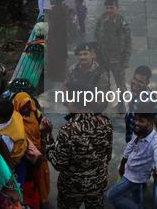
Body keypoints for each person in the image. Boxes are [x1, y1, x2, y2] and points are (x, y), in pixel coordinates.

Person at [44, 79, 113, 208]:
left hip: (72, 188)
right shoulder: (106, 123)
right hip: (98, 184)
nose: (65, 102)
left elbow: (59, 163)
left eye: (67, 98)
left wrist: (47, 136)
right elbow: (107, 155)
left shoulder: (67, 131)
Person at [106, 113, 157, 208]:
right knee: (136, 198)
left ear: (150, 122)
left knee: (110, 196)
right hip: (130, 171)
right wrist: (122, 164)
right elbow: (129, 147)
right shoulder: (138, 132)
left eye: (141, 121)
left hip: (133, 178)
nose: (136, 123)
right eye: (136, 119)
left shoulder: (156, 141)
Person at [13, 92, 51, 208]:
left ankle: (41, 199)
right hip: (26, 155)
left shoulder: (35, 114)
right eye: (22, 106)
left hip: (39, 152)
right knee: (30, 182)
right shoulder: (15, 120)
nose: (25, 109)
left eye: (27, 106)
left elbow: (43, 130)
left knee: (41, 179)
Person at [94, 0, 132, 108]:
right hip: (103, 57)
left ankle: (121, 102)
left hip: (117, 59)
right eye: (107, 8)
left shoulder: (123, 22)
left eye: (111, 8)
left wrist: (126, 59)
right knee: (104, 80)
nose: (109, 10)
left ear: (117, 8)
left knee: (120, 82)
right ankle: (105, 98)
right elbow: (96, 35)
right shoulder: (101, 19)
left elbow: (128, 41)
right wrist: (95, 53)